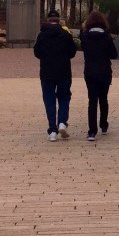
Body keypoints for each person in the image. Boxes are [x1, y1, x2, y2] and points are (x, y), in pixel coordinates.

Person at [33, 9, 77, 141]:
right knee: (64, 97)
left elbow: (37, 53)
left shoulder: (42, 35)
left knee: (49, 99)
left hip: (47, 72)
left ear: (48, 20)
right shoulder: (65, 34)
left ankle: (52, 130)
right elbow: (72, 52)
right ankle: (62, 122)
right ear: (59, 21)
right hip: (63, 71)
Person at [80, 10, 118, 141]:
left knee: (92, 101)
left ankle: (92, 131)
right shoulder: (106, 37)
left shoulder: (85, 37)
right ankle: (104, 124)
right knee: (103, 99)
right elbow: (114, 54)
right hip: (104, 71)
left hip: (90, 71)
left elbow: (84, 49)